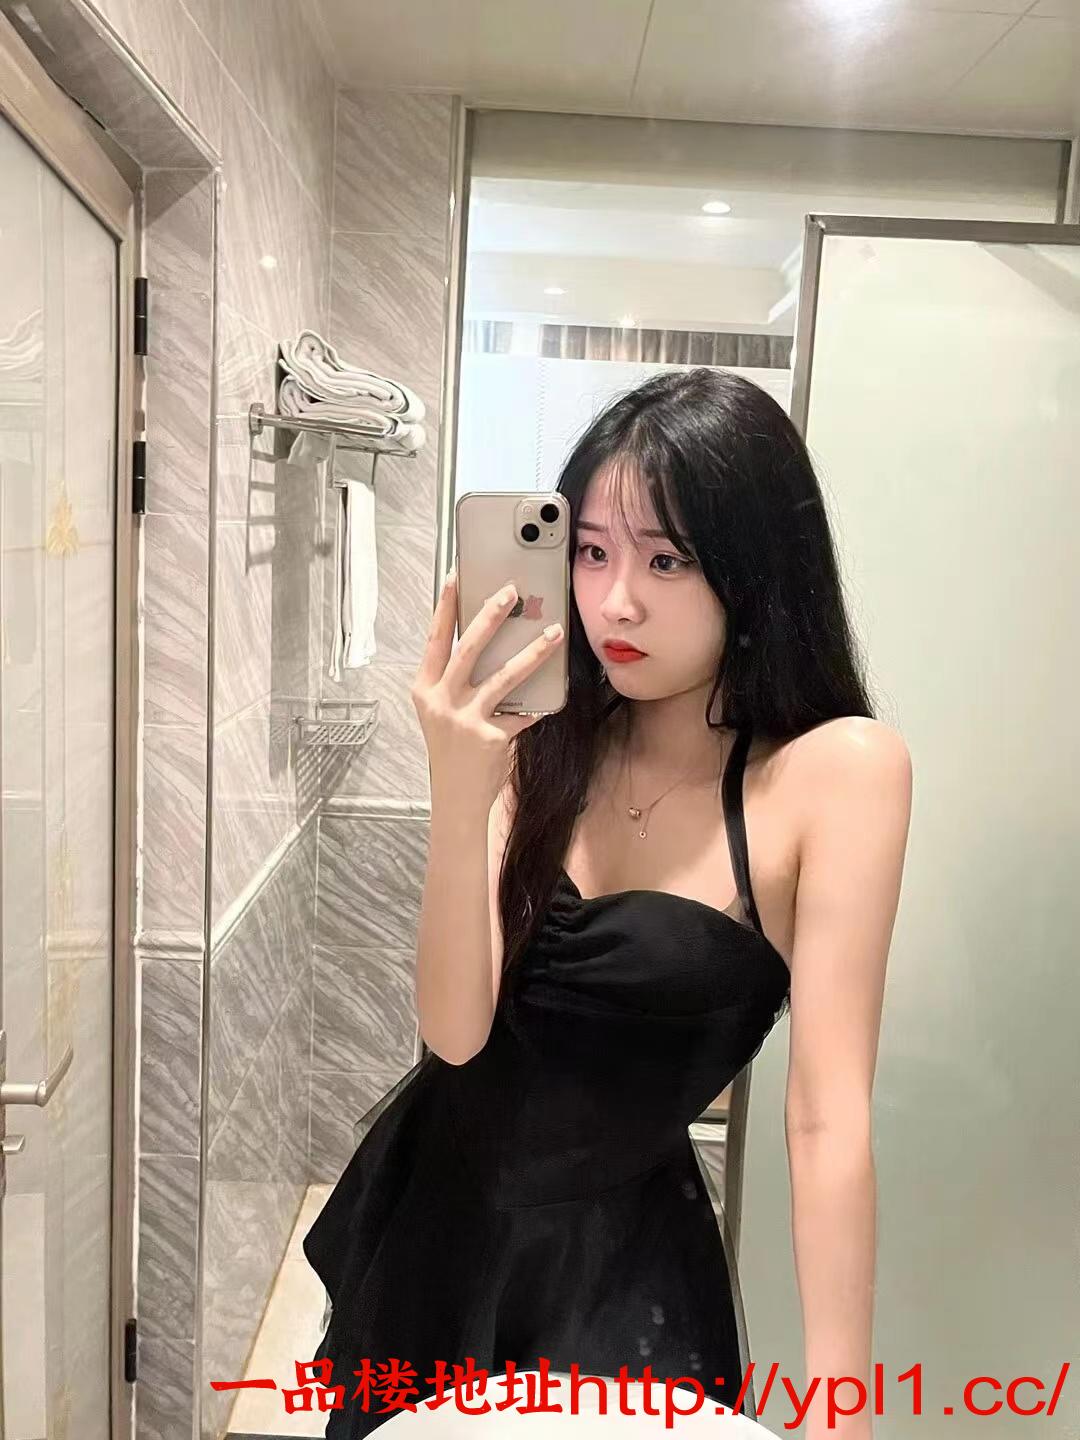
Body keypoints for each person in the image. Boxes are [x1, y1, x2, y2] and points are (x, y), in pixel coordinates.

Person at [302, 367, 912, 1440]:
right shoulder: (537, 739)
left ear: (757, 567)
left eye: (666, 559)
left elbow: (825, 1118)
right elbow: (454, 1033)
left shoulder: (835, 773)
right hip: (434, 1236)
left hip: (623, 1274)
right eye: (590, 551)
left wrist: (841, 1412)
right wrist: (461, 793)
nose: (616, 601)